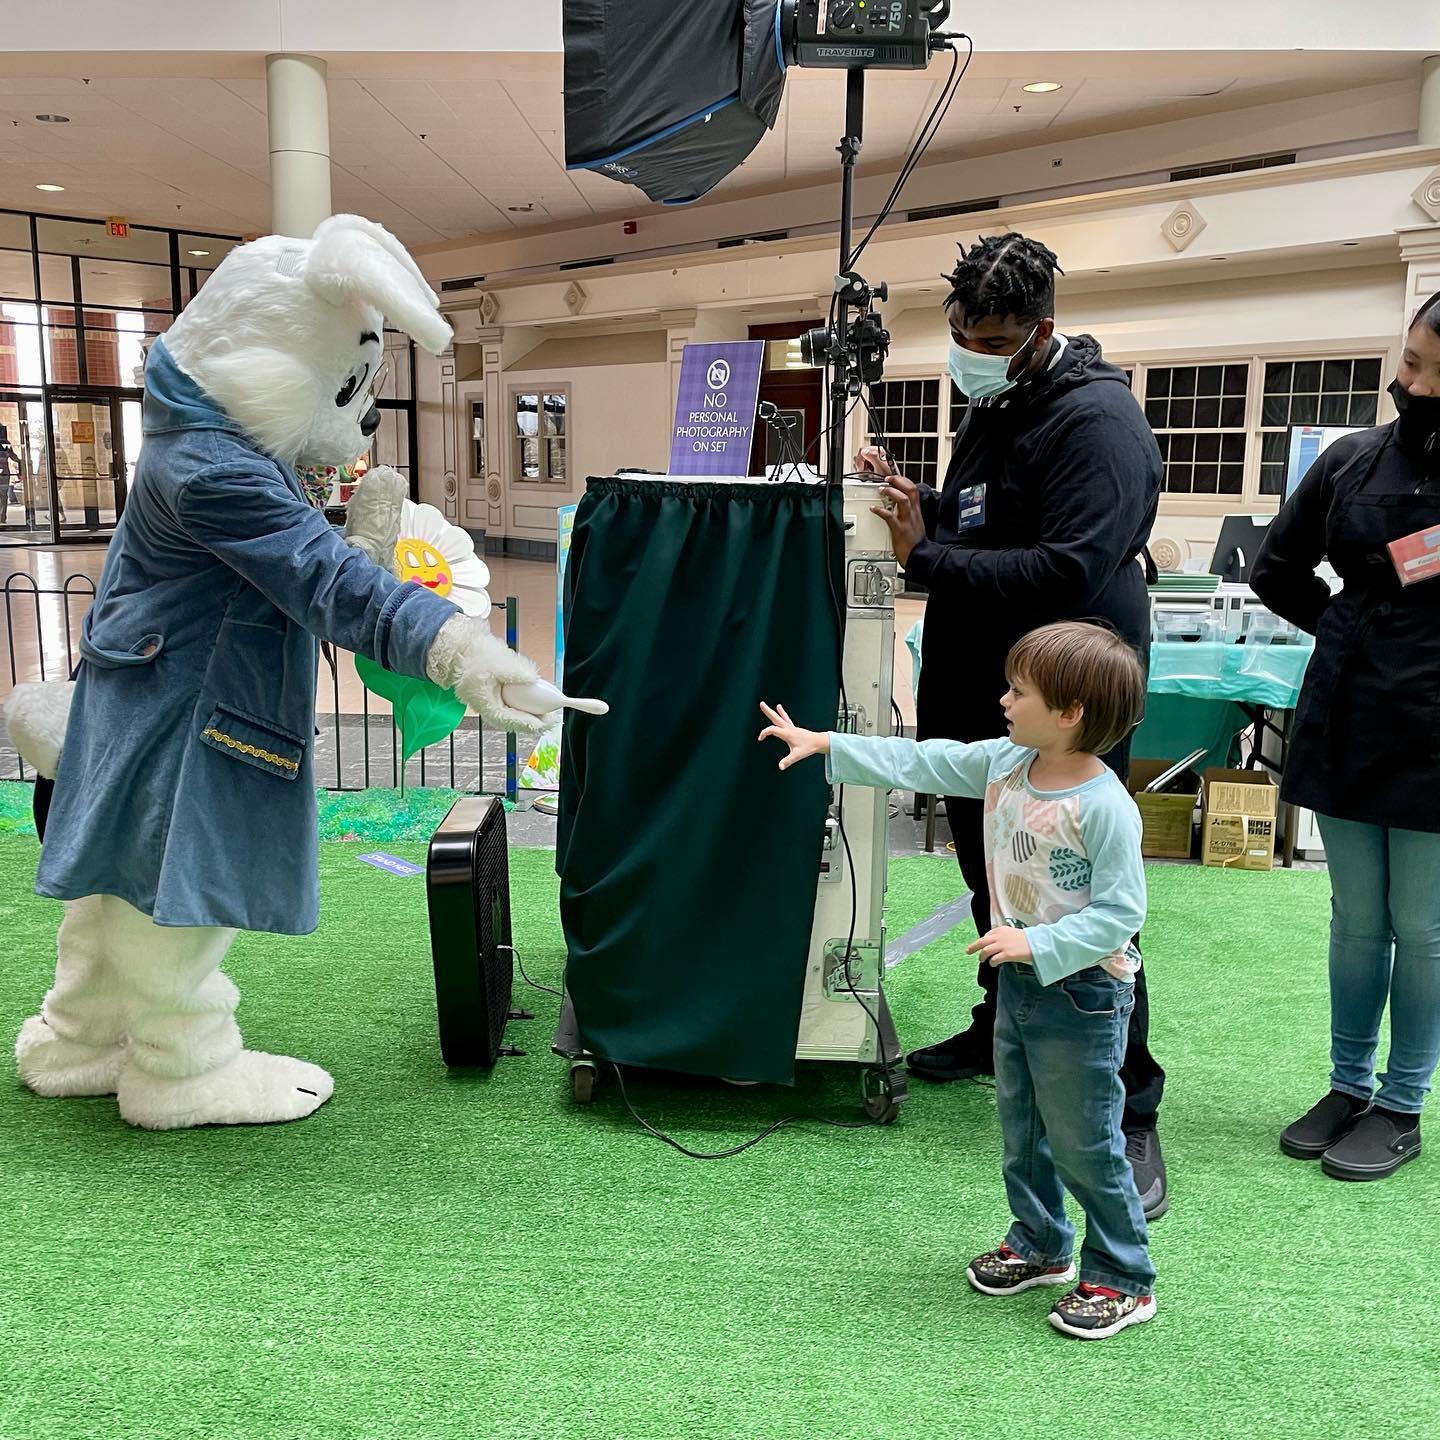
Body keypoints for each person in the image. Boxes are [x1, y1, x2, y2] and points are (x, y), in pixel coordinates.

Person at [859, 231, 1169, 1217]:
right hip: (985, 689)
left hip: (1066, 699)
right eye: (960, 336)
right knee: (995, 877)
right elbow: (990, 516)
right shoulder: (998, 404)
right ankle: (1003, 1025)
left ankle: (1127, 1107)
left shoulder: (1097, 421)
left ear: (1038, 331)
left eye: (988, 339)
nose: (969, 355)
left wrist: (927, 557)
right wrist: (923, 504)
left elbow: (1067, 568)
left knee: (1074, 895)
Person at [759, 622, 1156, 1339]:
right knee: (1023, 1125)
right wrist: (829, 746)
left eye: (1020, 690)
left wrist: (1039, 941)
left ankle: (1122, 1275)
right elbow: (928, 762)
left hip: (1085, 994)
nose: (1004, 699)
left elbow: (1123, 915)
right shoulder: (1008, 762)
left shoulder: (1104, 807)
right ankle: (1040, 1244)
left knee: (1085, 1138)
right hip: (1022, 982)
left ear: (1069, 713)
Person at [1248, 290, 1440, 1181]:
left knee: (1424, 926)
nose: (1410, 383)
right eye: (1407, 361)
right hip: (1350, 707)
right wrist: (1343, 626)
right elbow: (1274, 567)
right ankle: (1346, 1084)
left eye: (1431, 371)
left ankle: (1403, 1102)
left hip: (1438, 725)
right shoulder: (1352, 461)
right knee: (1356, 919)